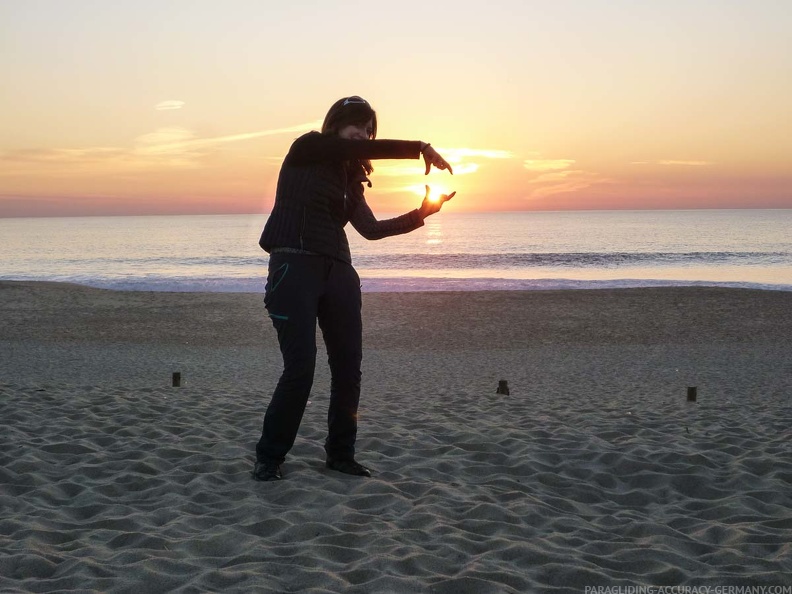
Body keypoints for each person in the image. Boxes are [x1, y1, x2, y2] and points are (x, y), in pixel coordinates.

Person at [253, 95, 455, 481]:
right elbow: (351, 148)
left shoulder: (351, 179)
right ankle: (270, 456)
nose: (364, 134)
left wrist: (421, 214)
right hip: (293, 266)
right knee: (301, 368)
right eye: (358, 126)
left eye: (369, 129)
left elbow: (371, 230)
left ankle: (341, 454)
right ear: (337, 124)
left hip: (340, 273)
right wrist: (420, 148)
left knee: (349, 367)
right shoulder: (307, 148)